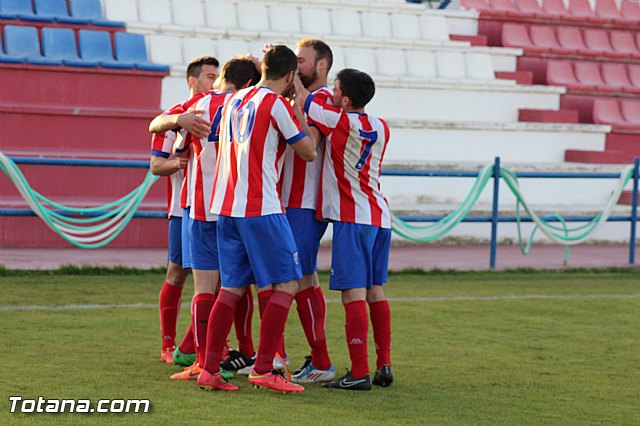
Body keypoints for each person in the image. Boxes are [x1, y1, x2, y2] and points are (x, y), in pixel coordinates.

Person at [197, 45, 317, 393]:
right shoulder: (277, 105)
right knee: (288, 283)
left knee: (231, 287)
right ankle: (265, 368)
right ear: (291, 75)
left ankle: (209, 369)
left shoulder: (234, 99)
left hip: (227, 205)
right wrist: (298, 111)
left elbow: (217, 140)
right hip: (261, 205)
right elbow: (308, 152)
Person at [149, 57, 261, 382]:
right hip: (235, 208)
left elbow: (179, 148)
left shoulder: (199, 107)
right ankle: (246, 355)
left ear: (222, 77)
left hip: (198, 208)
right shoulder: (250, 107)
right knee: (237, 287)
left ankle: (203, 360)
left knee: (205, 288)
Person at [296, 68, 394, 391]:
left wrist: (292, 73)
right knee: (375, 291)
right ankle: (384, 364)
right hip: (380, 216)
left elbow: (305, 101)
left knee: (352, 293)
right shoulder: (382, 127)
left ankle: (359, 372)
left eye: (336, 90)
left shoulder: (339, 121)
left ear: (346, 99)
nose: (333, 94)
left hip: (352, 219)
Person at [149, 56, 220, 366]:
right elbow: (155, 165)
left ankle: (199, 343)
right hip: (183, 207)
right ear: (193, 80)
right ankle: (169, 343)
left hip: (215, 207)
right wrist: (177, 163)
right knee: (178, 273)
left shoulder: (221, 110)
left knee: (216, 280)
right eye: (208, 76)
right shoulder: (175, 116)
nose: (213, 81)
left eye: (217, 76)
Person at [279, 38, 335, 382]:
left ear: (322, 65)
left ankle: (289, 358)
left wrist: (294, 84)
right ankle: (318, 361)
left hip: (305, 201)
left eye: (302, 61)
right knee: (303, 278)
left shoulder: (323, 98)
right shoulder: (302, 98)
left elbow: (311, 144)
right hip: (289, 200)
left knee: (293, 278)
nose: (296, 66)